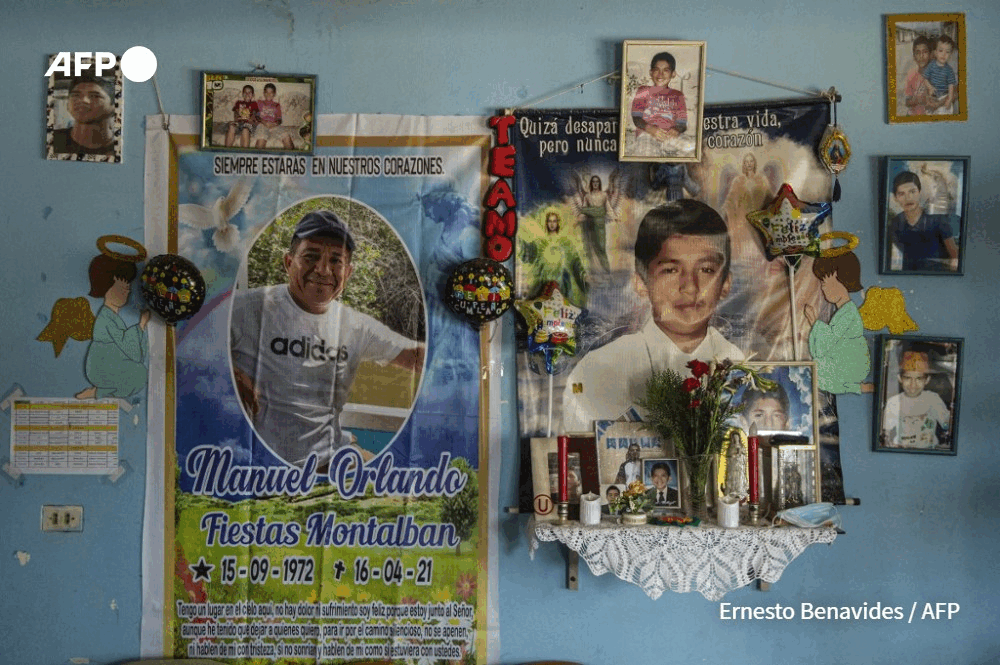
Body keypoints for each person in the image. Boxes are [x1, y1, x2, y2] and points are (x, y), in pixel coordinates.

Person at [230, 210, 425, 468]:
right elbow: (188, 342)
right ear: (288, 262)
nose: (323, 270)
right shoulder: (243, 308)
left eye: (336, 261)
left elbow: (415, 357)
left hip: (330, 459)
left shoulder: (356, 326)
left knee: (398, 479)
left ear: (348, 273)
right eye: (310, 256)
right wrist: (231, 374)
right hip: (259, 464)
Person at [562, 199, 743, 432]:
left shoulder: (741, 367)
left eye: (706, 269)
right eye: (671, 270)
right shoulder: (598, 368)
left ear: (726, 283)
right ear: (640, 283)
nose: (690, 287)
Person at [75, 254, 150, 400]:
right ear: (107, 287)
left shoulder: (112, 316)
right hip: (100, 367)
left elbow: (133, 351)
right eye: (123, 287)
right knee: (139, 375)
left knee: (140, 372)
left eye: (128, 288)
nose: (127, 292)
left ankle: (99, 391)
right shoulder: (105, 318)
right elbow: (129, 347)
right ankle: (97, 392)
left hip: (113, 363)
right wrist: (141, 324)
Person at [804, 251, 870, 394]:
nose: (823, 288)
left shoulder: (849, 313)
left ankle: (858, 387)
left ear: (839, 279)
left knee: (821, 371)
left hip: (850, 366)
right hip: (842, 363)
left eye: (824, 283)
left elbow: (827, 344)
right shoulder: (844, 311)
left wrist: (814, 321)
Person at [889, 171, 959, 271]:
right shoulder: (896, 222)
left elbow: (955, 257)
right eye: (901, 194)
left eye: (912, 191)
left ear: (919, 192)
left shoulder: (938, 221)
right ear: (896, 198)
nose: (908, 198)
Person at [881, 351, 951, 449]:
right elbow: (885, 432)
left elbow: (946, 424)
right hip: (901, 450)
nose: (913, 385)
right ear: (899, 378)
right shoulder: (893, 402)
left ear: (927, 380)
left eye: (919, 379)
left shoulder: (933, 399)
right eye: (907, 378)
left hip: (929, 451)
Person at [630, 52, 688, 157]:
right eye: (656, 70)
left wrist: (676, 130)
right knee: (647, 153)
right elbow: (636, 118)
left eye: (666, 70)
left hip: (670, 136)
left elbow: (682, 123)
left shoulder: (678, 95)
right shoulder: (643, 91)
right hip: (647, 134)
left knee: (690, 149)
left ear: (673, 74)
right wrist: (650, 129)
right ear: (651, 72)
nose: (660, 75)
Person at [51, 76, 117, 156]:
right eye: (76, 95)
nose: (83, 100)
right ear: (68, 105)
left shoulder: (118, 147)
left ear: (113, 106)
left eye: (95, 96)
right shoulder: (52, 139)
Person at [921, 35, 958, 115]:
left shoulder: (949, 70)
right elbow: (925, 78)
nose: (944, 54)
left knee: (944, 113)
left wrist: (949, 99)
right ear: (935, 52)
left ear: (950, 54)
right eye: (941, 51)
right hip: (932, 96)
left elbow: (951, 86)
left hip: (944, 96)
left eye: (947, 52)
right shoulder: (931, 65)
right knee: (929, 113)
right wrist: (929, 87)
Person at [253, 83, 294, 150]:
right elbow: (256, 116)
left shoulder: (277, 105)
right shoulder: (259, 102)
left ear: (274, 94)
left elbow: (279, 120)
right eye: (267, 92)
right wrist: (264, 122)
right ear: (264, 93)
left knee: (287, 137)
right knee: (261, 140)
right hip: (262, 124)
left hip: (274, 125)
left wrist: (274, 124)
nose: (268, 94)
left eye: (271, 92)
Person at [902, 36, 934, 116]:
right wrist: (919, 100)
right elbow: (907, 102)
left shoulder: (937, 74)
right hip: (913, 115)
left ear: (930, 54)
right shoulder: (911, 74)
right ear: (914, 56)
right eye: (918, 53)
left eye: (925, 52)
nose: (921, 56)